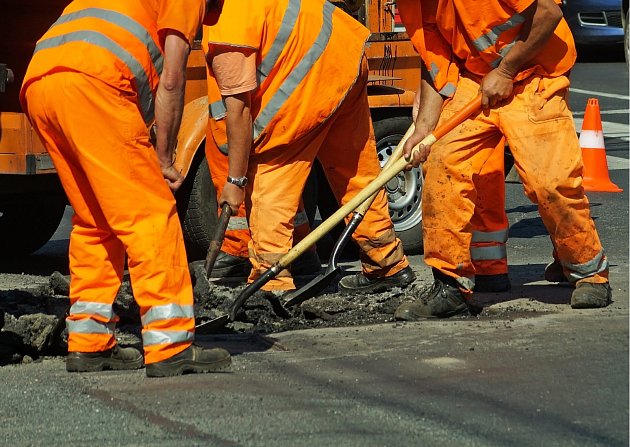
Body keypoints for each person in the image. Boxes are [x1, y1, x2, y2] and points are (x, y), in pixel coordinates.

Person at [20, 0, 231, 377]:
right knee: (151, 213)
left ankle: (89, 342)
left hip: (41, 80)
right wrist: (164, 158)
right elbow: (171, 79)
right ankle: (171, 344)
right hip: (95, 81)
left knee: (95, 220)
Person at [393, 0, 611, 320]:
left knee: (549, 182)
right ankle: (449, 284)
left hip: (535, 74)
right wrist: (423, 129)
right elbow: (436, 64)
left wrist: (507, 69)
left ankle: (589, 271)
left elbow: (548, 13)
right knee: (442, 163)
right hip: (476, 78)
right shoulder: (414, 4)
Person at [203, 0, 415, 293]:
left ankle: (271, 280)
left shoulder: (226, 29)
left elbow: (238, 111)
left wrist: (236, 180)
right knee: (356, 173)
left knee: (272, 168)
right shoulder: (240, 9)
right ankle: (387, 263)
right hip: (345, 57)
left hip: (312, 78)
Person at [203, 75, 322, 280]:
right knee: (280, 177)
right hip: (263, 95)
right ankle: (299, 248)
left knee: (257, 170)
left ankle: (245, 253)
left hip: (247, 98)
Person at [413, 84, 512, 293]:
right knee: (481, 173)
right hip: (481, 79)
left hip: (491, 80)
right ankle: (487, 269)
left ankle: (479, 271)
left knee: (470, 168)